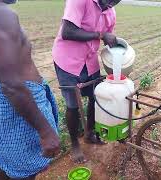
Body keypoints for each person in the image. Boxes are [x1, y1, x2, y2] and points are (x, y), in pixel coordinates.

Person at [0, 0, 60, 179]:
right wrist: (45, 131)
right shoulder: (0, 14)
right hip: (13, 110)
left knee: (6, 166)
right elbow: (11, 86)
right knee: (25, 172)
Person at [52, 0, 122, 163]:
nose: (111, 3)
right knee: (72, 104)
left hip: (90, 60)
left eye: (116, 1)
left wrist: (118, 55)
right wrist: (101, 35)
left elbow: (108, 40)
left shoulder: (110, 12)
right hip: (68, 60)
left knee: (95, 97)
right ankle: (75, 144)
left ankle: (89, 133)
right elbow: (67, 32)